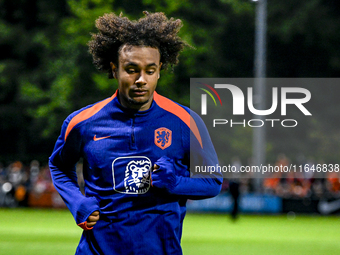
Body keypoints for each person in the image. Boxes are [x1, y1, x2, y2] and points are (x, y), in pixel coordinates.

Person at [49, 11, 222, 255]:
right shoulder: (82, 122)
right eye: (131, 70)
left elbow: (213, 181)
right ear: (114, 69)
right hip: (97, 250)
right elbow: (58, 166)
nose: (141, 79)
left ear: (159, 70)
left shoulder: (185, 122)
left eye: (150, 71)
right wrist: (77, 202)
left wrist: (175, 183)